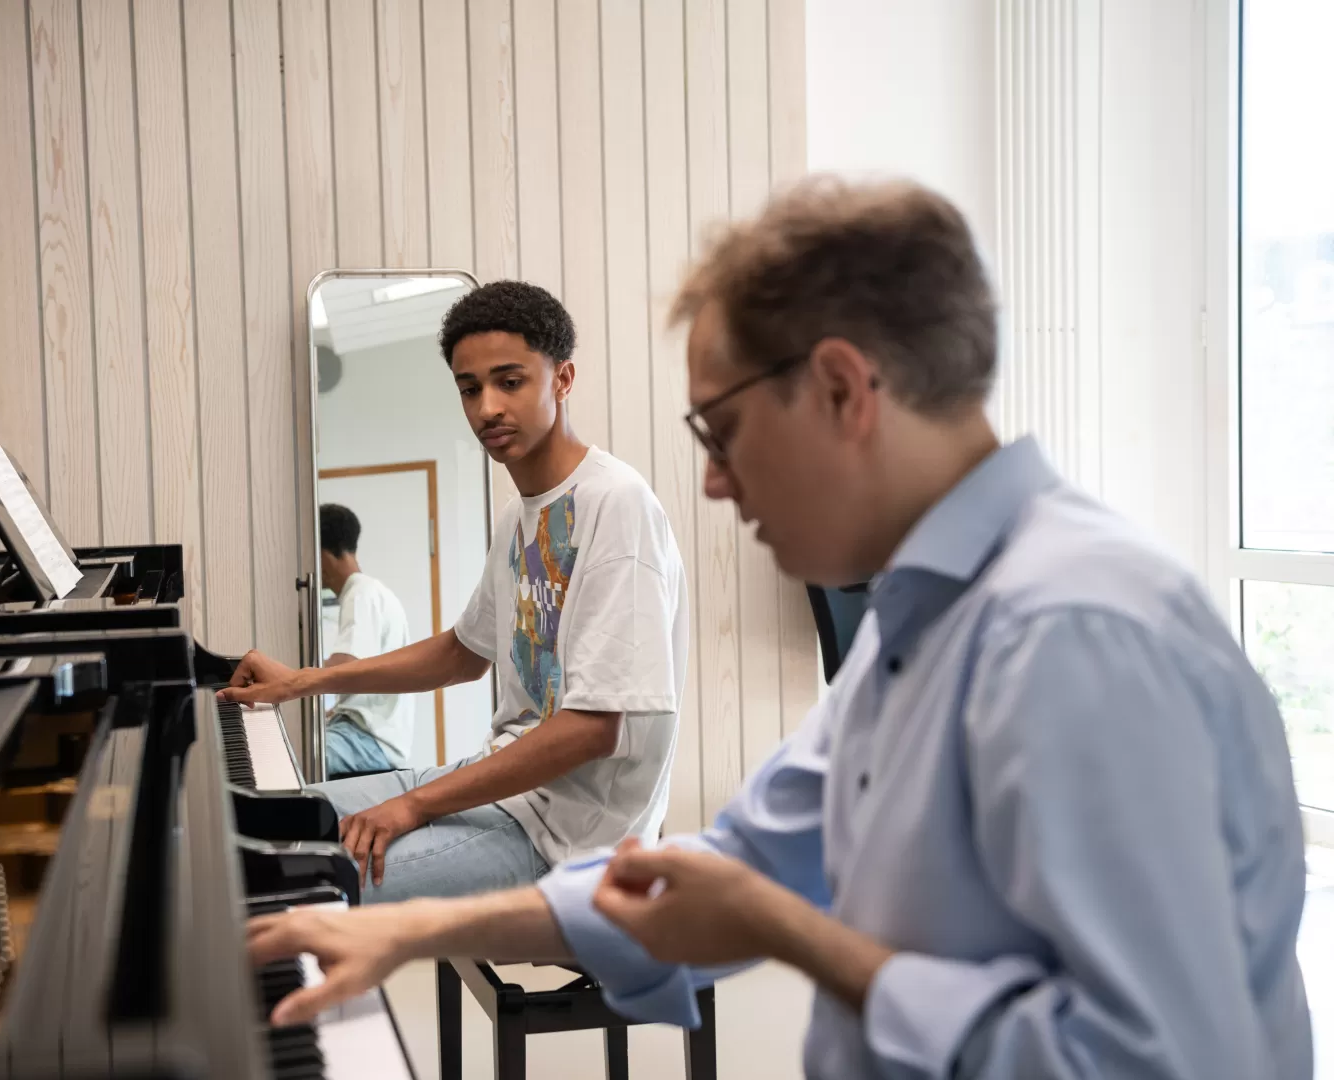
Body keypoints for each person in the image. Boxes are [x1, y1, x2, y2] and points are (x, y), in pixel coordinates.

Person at [241, 177, 1313, 1079]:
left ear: (843, 389)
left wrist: (793, 934)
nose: (712, 482)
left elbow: (1161, 1060)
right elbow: (729, 868)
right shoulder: (916, 634)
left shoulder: (1075, 636)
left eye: (725, 429)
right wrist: (398, 929)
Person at [221, 281, 688, 905]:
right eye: (470, 389)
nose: (487, 407)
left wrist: (411, 806)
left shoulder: (616, 504)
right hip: (503, 790)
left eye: (510, 381)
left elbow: (592, 729)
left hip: (570, 842)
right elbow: (463, 653)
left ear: (563, 378)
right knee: (256, 822)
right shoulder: (518, 517)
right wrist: (303, 681)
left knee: (282, 884)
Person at [315, 502, 414, 775]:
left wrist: (288, 675)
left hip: (370, 741)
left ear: (322, 555)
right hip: (368, 735)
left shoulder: (361, 593)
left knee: (291, 760)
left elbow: (343, 669)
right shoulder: (370, 592)